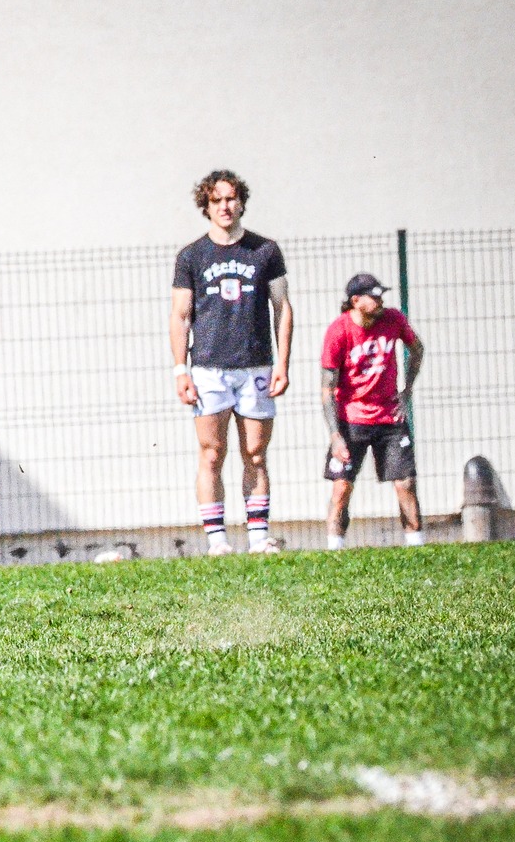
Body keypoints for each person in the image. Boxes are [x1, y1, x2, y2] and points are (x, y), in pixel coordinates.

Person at [169, 170, 294, 555]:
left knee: (255, 453)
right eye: (217, 200)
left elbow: (282, 308)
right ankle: (217, 541)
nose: (225, 206)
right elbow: (180, 315)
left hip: (256, 365)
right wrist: (180, 370)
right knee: (212, 453)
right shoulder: (191, 256)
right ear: (206, 206)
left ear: (241, 202)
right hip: (209, 367)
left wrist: (282, 363)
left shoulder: (265, 250)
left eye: (231, 198)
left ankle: (258, 538)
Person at [319, 273, 426, 549]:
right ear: (356, 301)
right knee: (342, 486)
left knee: (405, 483)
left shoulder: (394, 319)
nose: (380, 301)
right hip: (351, 420)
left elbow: (417, 349)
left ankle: (416, 546)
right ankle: (334, 549)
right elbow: (327, 389)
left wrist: (407, 390)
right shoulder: (339, 331)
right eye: (374, 296)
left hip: (390, 418)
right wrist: (335, 436)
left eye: (381, 296)